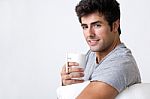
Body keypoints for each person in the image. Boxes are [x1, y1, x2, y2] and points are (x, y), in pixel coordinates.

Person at [60, 0, 141, 99]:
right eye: (85, 27)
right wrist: (66, 84)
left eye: (97, 25)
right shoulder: (90, 55)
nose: (90, 33)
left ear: (115, 25)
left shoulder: (121, 62)